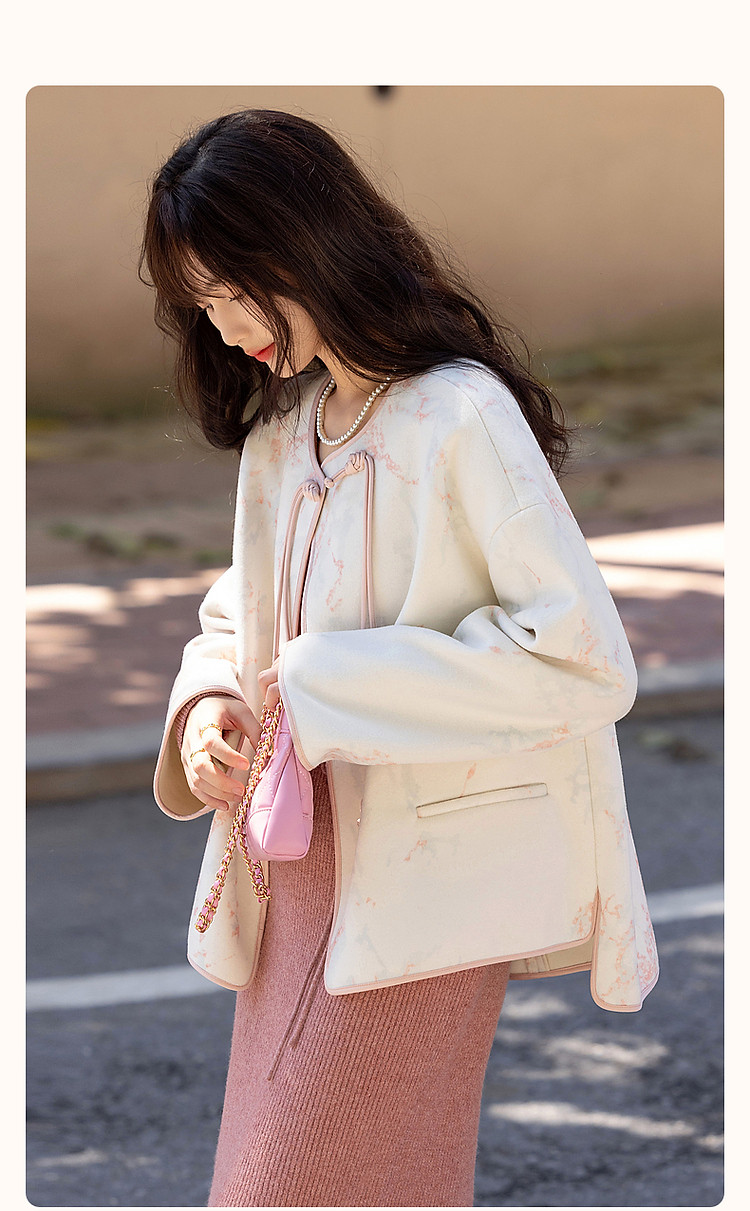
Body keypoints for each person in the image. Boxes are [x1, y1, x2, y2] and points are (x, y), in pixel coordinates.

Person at [141, 108, 658, 1208]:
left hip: (427, 888)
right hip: (296, 876)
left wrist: (331, 688)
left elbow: (584, 660)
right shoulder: (286, 437)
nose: (225, 329)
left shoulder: (460, 416)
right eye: (202, 305)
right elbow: (240, 616)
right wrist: (209, 707)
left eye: (233, 292)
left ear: (302, 247)